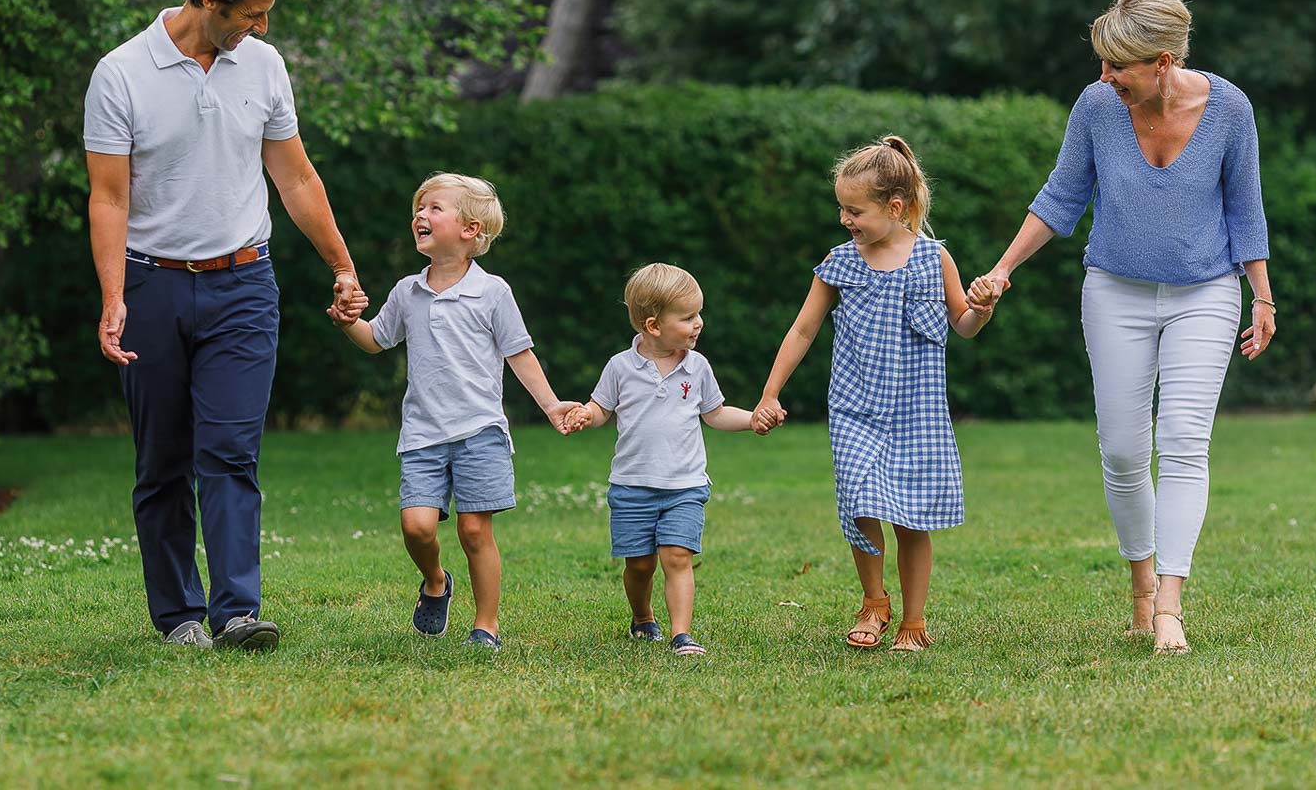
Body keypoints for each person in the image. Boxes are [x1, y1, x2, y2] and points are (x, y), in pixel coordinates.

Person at [969, 0, 1276, 655]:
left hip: (1205, 292)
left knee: (1185, 441)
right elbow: (1062, 196)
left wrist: (1263, 296)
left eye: (1119, 67)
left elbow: (1244, 208)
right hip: (1115, 291)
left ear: (1162, 62)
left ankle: (1169, 604)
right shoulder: (1097, 107)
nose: (1104, 77)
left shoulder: (1230, 110)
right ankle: (1139, 583)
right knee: (1122, 450)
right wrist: (1003, 268)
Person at [85, 0, 361, 651]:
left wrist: (342, 265)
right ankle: (178, 615)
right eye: (252, 13)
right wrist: (113, 296)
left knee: (232, 452)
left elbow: (295, 177)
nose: (261, 27)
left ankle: (238, 611)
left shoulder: (262, 66)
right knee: (164, 461)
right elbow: (108, 199)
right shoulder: (120, 75)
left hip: (244, 285)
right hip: (152, 287)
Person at [751, 137, 995, 652]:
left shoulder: (935, 258)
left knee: (911, 518)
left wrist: (983, 308)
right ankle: (874, 600)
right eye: (841, 207)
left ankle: (913, 622)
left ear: (896, 206)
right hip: (855, 408)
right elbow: (801, 331)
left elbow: (964, 325)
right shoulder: (841, 262)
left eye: (854, 209)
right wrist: (771, 393)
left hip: (918, 413)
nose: (845, 218)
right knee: (859, 501)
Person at [328, 172, 580, 649]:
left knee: (473, 529)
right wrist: (348, 323)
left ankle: (486, 626)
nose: (420, 216)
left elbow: (519, 353)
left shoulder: (493, 292)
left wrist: (551, 406)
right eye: (418, 210)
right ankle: (436, 582)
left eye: (435, 208)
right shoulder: (407, 291)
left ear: (470, 231)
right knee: (417, 527)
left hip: (480, 431)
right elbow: (376, 341)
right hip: (423, 433)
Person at [562, 264, 765, 657]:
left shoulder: (697, 366)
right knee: (639, 565)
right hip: (632, 485)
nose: (698, 324)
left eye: (698, 314)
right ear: (653, 326)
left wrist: (752, 419)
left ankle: (681, 634)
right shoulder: (620, 367)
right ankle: (642, 618)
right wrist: (587, 414)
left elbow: (715, 413)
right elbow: (602, 409)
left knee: (677, 556)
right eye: (688, 317)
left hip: (685, 486)